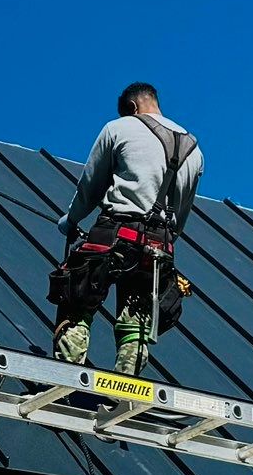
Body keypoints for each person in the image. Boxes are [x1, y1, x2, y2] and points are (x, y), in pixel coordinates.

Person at [48, 82, 203, 377]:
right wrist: (165, 240)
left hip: (116, 232)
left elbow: (91, 185)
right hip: (161, 247)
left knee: (76, 297)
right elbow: (182, 211)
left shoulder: (120, 128)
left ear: (131, 107)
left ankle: (67, 376)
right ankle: (126, 386)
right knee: (138, 321)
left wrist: (71, 220)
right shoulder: (194, 149)